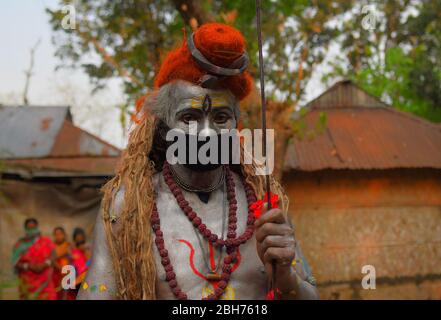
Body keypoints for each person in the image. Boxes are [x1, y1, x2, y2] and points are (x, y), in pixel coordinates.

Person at [78, 23, 319, 300]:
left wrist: (286, 276)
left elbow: (310, 294)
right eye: (190, 118)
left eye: (220, 118)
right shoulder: (128, 206)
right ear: (165, 127)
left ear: (235, 126)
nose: (207, 133)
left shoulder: (265, 204)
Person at [12, 218, 57, 300]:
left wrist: (45, 264)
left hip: (45, 285)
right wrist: (28, 266)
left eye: (33, 228)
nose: (32, 231)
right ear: (25, 229)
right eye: (29, 228)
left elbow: (53, 254)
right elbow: (15, 262)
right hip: (27, 286)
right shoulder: (20, 244)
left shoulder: (46, 241)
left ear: (37, 227)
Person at [52, 226, 72, 299]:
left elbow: (73, 258)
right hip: (56, 275)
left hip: (69, 275)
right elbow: (51, 259)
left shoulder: (69, 245)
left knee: (68, 296)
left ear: (64, 235)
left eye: (60, 234)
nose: (58, 236)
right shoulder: (51, 246)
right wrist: (61, 269)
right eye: (56, 234)